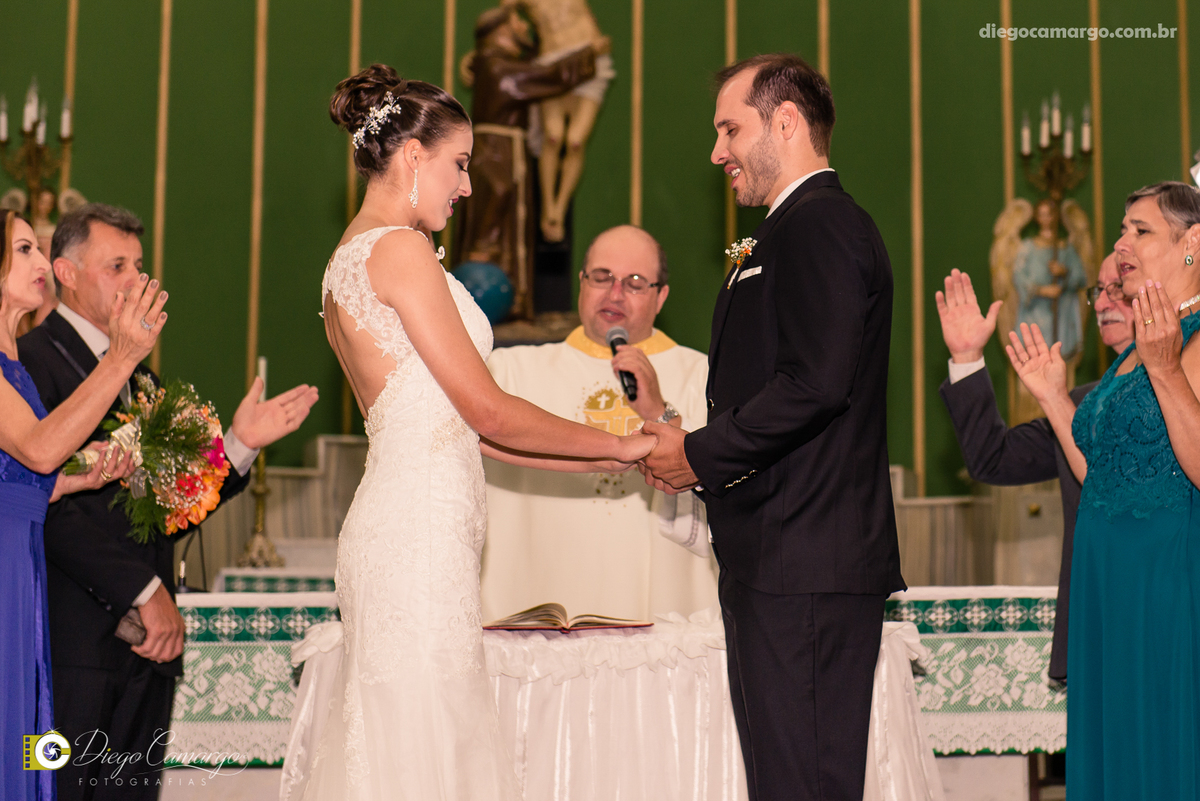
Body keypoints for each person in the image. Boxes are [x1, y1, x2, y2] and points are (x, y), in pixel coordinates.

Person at [299, 65, 652, 799]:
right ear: (412, 158)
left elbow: (474, 435)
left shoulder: (350, 258)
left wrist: (605, 464)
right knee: (430, 748)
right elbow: (488, 410)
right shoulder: (396, 250)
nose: (466, 186)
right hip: (417, 537)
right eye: (460, 164)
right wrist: (623, 442)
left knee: (416, 742)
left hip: (412, 522)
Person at [640, 54, 904, 801]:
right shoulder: (781, 232)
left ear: (785, 122)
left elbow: (816, 384)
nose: (716, 151)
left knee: (806, 784)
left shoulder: (821, 224)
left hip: (809, 561)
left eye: (730, 128)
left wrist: (696, 453)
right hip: (781, 558)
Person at [17, 203, 319, 801]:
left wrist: (238, 446)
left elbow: (172, 505)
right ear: (67, 274)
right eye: (117, 265)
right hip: (71, 645)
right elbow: (46, 507)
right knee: (56, 790)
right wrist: (144, 591)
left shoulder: (143, 380)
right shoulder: (33, 365)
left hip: (148, 653)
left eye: (139, 265)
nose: (136, 280)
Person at [1007, 181, 1200, 798]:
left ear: (1193, 242)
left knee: (1162, 738)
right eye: (1123, 229)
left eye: (1141, 230)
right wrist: (1052, 397)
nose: (1122, 243)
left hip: (1165, 578)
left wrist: (1168, 368)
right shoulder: (1131, 354)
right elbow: (1103, 473)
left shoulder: (1184, 341)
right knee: (1114, 742)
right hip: (1105, 578)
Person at [1, 209, 165, 801]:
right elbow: (40, 450)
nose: (41, 263)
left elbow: (26, 473)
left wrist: (79, 473)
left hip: (24, 569)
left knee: (30, 736)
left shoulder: (14, 364)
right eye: (23, 250)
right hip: (12, 577)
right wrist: (120, 355)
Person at [481, 224, 716, 623]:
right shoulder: (511, 371)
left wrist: (658, 409)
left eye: (635, 282)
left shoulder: (702, 375)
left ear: (661, 297)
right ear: (581, 284)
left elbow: (723, 476)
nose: (615, 293)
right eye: (601, 277)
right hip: (539, 599)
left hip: (658, 615)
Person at [936, 255, 1135, 682]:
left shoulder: (1187, 393)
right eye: (1098, 292)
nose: (1102, 304)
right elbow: (993, 458)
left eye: (1117, 289)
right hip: (1094, 630)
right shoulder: (1079, 405)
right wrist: (968, 356)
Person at [453, 5, 597, 318]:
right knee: (495, 222)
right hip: (496, 154)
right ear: (501, 29)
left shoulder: (494, 60)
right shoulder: (497, 66)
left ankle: (512, 300)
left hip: (505, 150)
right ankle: (495, 300)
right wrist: (587, 57)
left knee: (508, 222)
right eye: (517, 21)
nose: (524, 25)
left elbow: (535, 61)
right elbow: (545, 75)